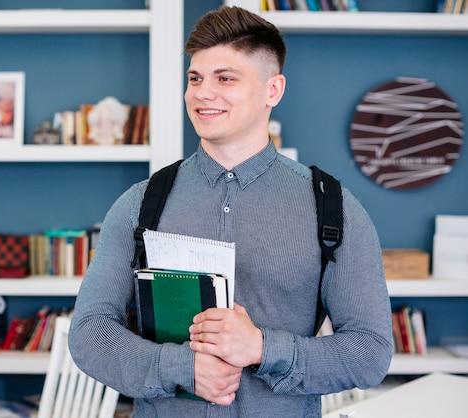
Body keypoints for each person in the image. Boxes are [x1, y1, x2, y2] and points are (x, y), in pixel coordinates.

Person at [68, 6, 392, 417]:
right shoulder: (139, 203)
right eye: (195, 78)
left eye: (225, 78)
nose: (203, 92)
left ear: (272, 91)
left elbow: (370, 351)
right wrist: (182, 367)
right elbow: (89, 334)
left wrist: (260, 348)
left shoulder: (333, 208)